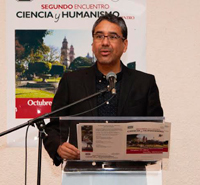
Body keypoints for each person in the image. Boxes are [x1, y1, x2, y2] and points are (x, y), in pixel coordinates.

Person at [43, 14, 163, 166]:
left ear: (125, 45)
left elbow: (156, 133)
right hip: (81, 174)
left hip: (129, 176)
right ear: (92, 44)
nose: (105, 42)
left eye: (113, 37)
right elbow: (53, 128)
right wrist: (59, 148)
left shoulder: (144, 83)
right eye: (99, 36)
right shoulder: (71, 81)